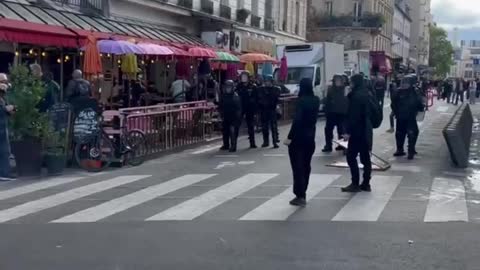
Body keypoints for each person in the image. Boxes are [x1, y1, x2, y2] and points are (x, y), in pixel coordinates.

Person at [284, 78, 320, 206]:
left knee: (297, 167)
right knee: (306, 166)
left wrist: (290, 137)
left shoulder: (301, 101)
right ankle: (303, 191)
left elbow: (297, 121)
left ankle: (300, 194)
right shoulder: (316, 100)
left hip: (298, 138)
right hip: (311, 137)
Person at [341, 74, 373, 193]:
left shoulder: (356, 96)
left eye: (351, 82)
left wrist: (348, 132)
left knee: (351, 156)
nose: (350, 84)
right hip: (366, 129)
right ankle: (366, 183)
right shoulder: (367, 93)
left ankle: (355, 183)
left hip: (357, 131)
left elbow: (353, 116)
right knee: (365, 158)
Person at [392, 75, 424, 160]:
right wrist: (421, 108)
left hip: (400, 116)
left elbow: (393, 103)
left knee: (400, 133)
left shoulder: (398, 91)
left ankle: (400, 149)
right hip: (410, 116)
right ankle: (411, 150)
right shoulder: (414, 91)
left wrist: (396, 112)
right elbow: (419, 103)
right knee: (412, 133)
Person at [322, 74, 348, 152]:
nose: (338, 82)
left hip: (342, 113)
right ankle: (328, 145)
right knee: (328, 130)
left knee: (342, 130)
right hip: (332, 113)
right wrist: (326, 110)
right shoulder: (330, 89)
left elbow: (348, 100)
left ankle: (343, 146)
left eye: (339, 80)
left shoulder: (346, 89)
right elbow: (327, 101)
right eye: (336, 80)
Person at [219, 80, 242, 152]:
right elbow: (221, 106)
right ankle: (226, 144)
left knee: (233, 131)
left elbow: (238, 108)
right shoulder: (223, 96)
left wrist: (238, 117)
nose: (228, 89)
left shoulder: (235, 96)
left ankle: (233, 146)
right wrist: (220, 114)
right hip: (226, 116)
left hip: (233, 117)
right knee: (225, 131)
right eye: (227, 87)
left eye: (229, 87)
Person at [237, 71, 258, 148]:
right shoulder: (238, 86)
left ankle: (252, 143)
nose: (244, 78)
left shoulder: (253, 87)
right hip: (240, 108)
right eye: (243, 76)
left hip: (250, 108)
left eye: (245, 76)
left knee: (250, 125)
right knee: (237, 125)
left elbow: (256, 99)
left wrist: (255, 109)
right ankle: (233, 144)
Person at [258, 75, 280, 148]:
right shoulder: (261, 89)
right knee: (265, 127)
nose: (267, 83)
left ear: (272, 82)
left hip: (272, 110)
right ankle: (266, 141)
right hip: (264, 110)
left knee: (273, 126)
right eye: (266, 81)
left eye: (269, 81)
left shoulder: (275, 89)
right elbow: (260, 99)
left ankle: (274, 141)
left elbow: (276, 98)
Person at [0, 81, 15, 181]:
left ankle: (5, 173)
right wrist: (5, 109)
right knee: (4, 151)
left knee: (5, 151)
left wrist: (10, 111)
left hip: (3, 126)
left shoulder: (2, 98)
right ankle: (4, 173)